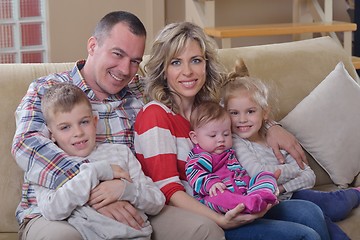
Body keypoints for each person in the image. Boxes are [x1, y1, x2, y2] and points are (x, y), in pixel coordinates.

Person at [12, 11, 224, 240]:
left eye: (134, 61)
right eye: (117, 54)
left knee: (204, 231)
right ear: (93, 46)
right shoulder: (48, 89)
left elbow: (200, 106)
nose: (125, 70)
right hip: (58, 212)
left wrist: (265, 127)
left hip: (135, 204)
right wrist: (94, 189)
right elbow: (28, 145)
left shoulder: (143, 91)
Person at [134, 21, 330, 240]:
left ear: (206, 65)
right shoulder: (155, 115)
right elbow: (168, 190)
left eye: (196, 60)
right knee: (304, 236)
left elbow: (247, 120)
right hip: (207, 211)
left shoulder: (210, 109)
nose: (187, 71)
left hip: (241, 197)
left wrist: (272, 126)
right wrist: (221, 221)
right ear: (163, 69)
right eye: (176, 62)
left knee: (310, 212)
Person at [221, 68, 360, 240]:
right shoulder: (236, 142)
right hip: (270, 202)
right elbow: (259, 173)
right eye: (234, 113)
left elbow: (309, 176)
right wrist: (293, 171)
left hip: (288, 194)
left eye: (250, 111)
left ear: (265, 113)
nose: (242, 119)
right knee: (325, 208)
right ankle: (351, 195)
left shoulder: (275, 139)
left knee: (328, 211)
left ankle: (353, 194)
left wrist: (282, 188)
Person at [34, 82, 165, 239]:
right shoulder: (47, 163)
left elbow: (157, 201)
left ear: (95, 121)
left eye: (84, 122)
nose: (78, 132)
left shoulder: (119, 153)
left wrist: (125, 190)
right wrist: (95, 172)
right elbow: (52, 210)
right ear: (52, 134)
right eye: (65, 127)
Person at [185, 100, 279, 214]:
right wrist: (211, 183)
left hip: (245, 190)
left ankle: (259, 197)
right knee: (219, 197)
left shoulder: (229, 152)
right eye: (212, 135)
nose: (221, 139)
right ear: (195, 137)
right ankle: (248, 204)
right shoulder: (203, 156)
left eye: (226, 134)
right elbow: (195, 173)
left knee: (265, 175)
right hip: (217, 194)